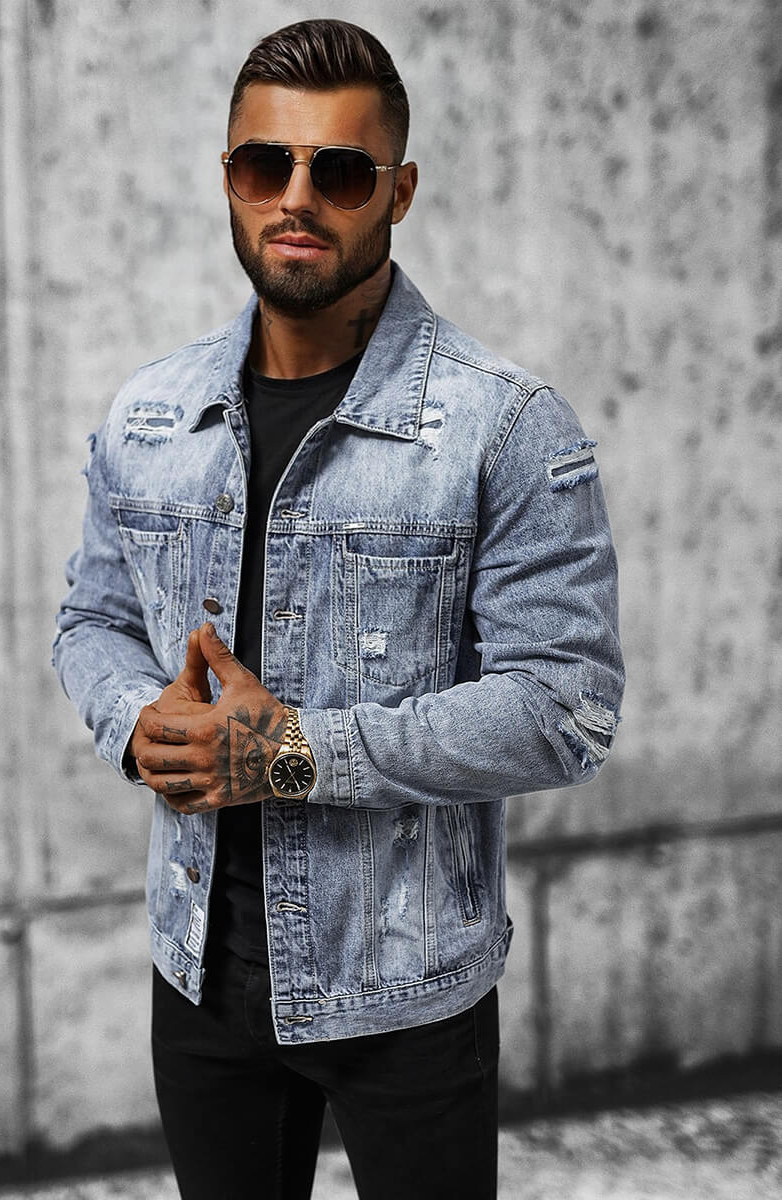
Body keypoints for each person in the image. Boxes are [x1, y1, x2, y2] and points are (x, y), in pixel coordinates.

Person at [53, 18, 624, 1199]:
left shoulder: (506, 427)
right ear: (230, 177)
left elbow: (565, 708)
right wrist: (138, 721)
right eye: (266, 165)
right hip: (199, 974)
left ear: (399, 192)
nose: (297, 199)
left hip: (407, 988)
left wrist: (295, 751)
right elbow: (91, 623)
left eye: (342, 171)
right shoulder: (151, 415)